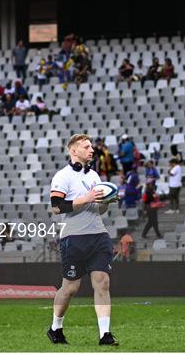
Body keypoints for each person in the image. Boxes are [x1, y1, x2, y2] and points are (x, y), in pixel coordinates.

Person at [48, 134, 119, 346]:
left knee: (103, 283)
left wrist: (107, 201)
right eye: (86, 147)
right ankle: (55, 328)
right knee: (70, 288)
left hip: (99, 235)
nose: (91, 150)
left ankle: (104, 335)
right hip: (73, 238)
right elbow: (56, 207)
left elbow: (99, 210)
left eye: (91, 146)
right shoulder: (62, 176)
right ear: (73, 151)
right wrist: (86, 199)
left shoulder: (95, 176)